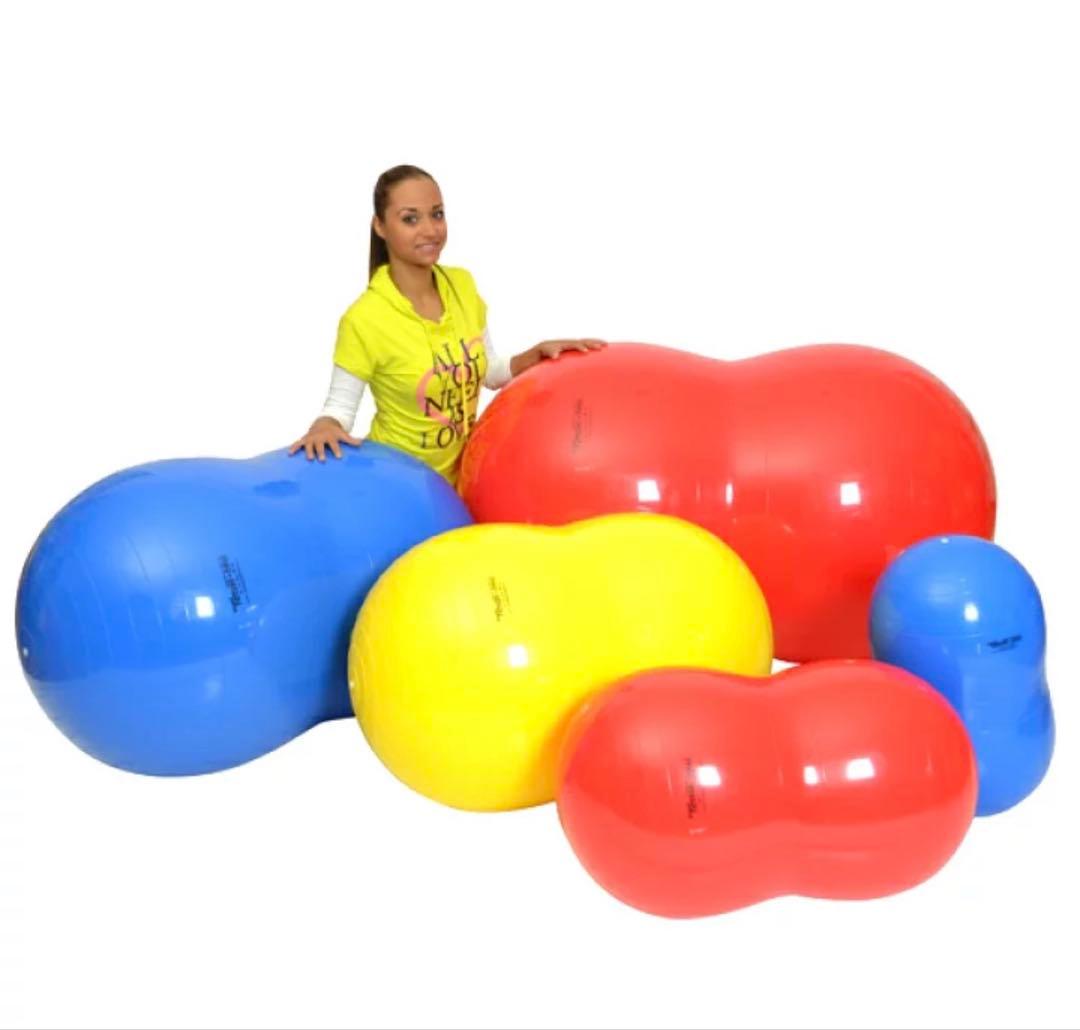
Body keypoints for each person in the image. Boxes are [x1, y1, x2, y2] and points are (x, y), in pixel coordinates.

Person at [289, 164, 606, 484]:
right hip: (401, 486)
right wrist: (325, 426)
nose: (430, 230)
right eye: (410, 219)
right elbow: (340, 408)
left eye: (437, 214)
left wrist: (534, 356)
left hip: (465, 481)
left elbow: (488, 371)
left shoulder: (462, 286)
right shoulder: (364, 319)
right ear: (380, 226)